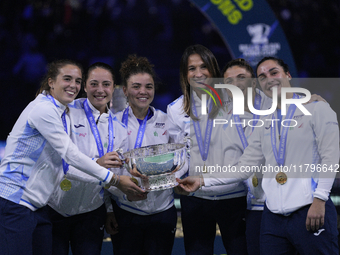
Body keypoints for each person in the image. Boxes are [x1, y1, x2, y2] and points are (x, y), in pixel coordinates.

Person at [178, 56, 339, 255]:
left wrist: (320, 199)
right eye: (262, 76)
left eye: (274, 72)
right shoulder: (265, 120)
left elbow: (331, 157)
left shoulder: (316, 108)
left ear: (287, 75)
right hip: (272, 217)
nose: (269, 79)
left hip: (309, 208)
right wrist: (201, 181)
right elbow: (244, 167)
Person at [0, 59, 141, 255]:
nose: (73, 86)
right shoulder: (45, 109)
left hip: (38, 206)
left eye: (76, 81)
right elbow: (70, 155)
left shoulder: (60, 110)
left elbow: (62, 163)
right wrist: (115, 180)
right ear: (51, 82)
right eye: (67, 79)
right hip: (16, 200)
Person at [47, 62, 146, 255]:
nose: (100, 90)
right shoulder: (66, 111)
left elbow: (114, 175)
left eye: (106, 84)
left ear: (113, 87)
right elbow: (60, 162)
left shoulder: (118, 128)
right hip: (55, 208)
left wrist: (110, 208)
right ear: (84, 86)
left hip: (91, 212)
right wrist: (97, 164)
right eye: (94, 84)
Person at [167, 44, 248, 255]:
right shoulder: (175, 110)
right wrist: (173, 178)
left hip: (234, 196)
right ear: (185, 75)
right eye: (191, 68)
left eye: (203, 67)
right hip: (195, 199)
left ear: (213, 70)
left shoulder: (233, 102)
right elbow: (179, 155)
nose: (198, 73)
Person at [106, 55, 184, 255]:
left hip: (163, 211)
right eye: (136, 86)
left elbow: (181, 158)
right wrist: (112, 205)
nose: (143, 92)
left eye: (148, 86)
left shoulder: (166, 120)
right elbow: (105, 170)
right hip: (126, 211)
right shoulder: (112, 123)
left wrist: (174, 176)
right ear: (124, 90)